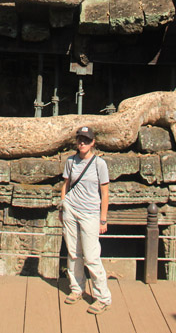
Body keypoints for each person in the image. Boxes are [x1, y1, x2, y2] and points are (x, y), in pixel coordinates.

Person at [59, 125, 111, 315]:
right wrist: (63, 205)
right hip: (71, 210)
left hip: (90, 212)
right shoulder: (71, 161)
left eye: (86, 140)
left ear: (93, 142)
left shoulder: (99, 164)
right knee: (73, 252)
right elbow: (65, 185)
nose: (82, 143)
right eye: (80, 139)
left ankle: (103, 297)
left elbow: (105, 193)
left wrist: (103, 219)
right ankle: (76, 288)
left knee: (91, 256)